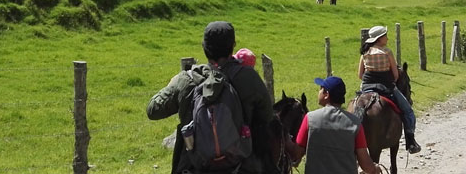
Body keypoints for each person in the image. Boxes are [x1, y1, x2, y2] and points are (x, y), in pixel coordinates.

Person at [147, 21, 277, 174]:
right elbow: (267, 116)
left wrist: (174, 83)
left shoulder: (187, 80)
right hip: (242, 165)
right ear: (233, 45)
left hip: (193, 166)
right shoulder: (248, 77)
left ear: (204, 48)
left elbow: (153, 110)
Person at [291, 76, 379, 174]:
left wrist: (285, 139)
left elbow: (296, 153)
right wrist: (375, 168)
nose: (319, 92)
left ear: (326, 94)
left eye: (321, 89)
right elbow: (366, 165)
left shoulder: (310, 119)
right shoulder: (355, 124)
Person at [357, 25, 421, 154]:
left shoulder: (365, 53)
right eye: (385, 36)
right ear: (379, 39)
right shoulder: (387, 52)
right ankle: (410, 141)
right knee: (408, 110)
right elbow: (396, 75)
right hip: (386, 87)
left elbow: (360, 75)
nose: (387, 38)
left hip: (366, 87)